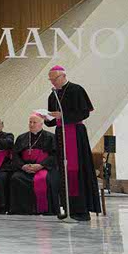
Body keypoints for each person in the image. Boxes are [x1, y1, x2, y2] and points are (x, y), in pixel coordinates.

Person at [47, 65, 101, 221]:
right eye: (50, 79)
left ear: (63, 76)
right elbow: (53, 120)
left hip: (75, 134)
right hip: (60, 134)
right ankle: (67, 208)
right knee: (63, 172)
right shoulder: (53, 95)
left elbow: (84, 113)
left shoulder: (76, 89)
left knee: (76, 170)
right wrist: (47, 118)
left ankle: (81, 210)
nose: (52, 82)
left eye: (54, 79)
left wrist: (62, 115)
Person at [10, 113, 59, 215]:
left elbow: (55, 155)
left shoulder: (51, 137)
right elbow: (15, 155)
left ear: (41, 124)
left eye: (34, 122)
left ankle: (44, 210)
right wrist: (23, 166)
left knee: (46, 179)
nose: (31, 124)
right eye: (30, 122)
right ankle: (23, 210)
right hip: (25, 169)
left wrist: (41, 165)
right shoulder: (21, 137)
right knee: (16, 178)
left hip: (44, 168)